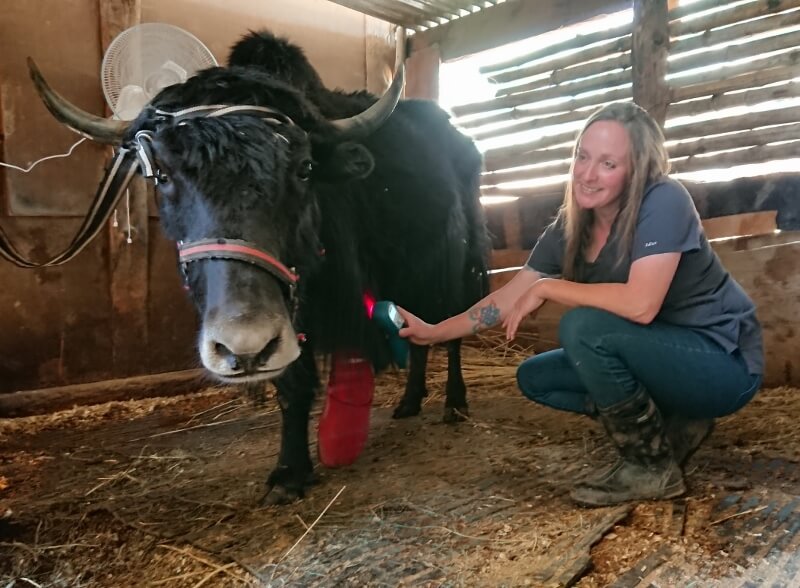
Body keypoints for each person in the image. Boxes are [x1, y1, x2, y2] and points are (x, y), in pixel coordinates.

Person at [397, 102, 763, 507]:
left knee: (582, 329)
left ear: (637, 168)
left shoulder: (664, 200)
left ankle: (650, 467)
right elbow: (508, 297)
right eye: (582, 157)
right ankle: (675, 425)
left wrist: (552, 288)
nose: (587, 174)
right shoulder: (571, 225)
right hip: (664, 356)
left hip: (723, 365)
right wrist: (433, 332)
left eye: (608, 163)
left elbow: (640, 305)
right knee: (537, 378)